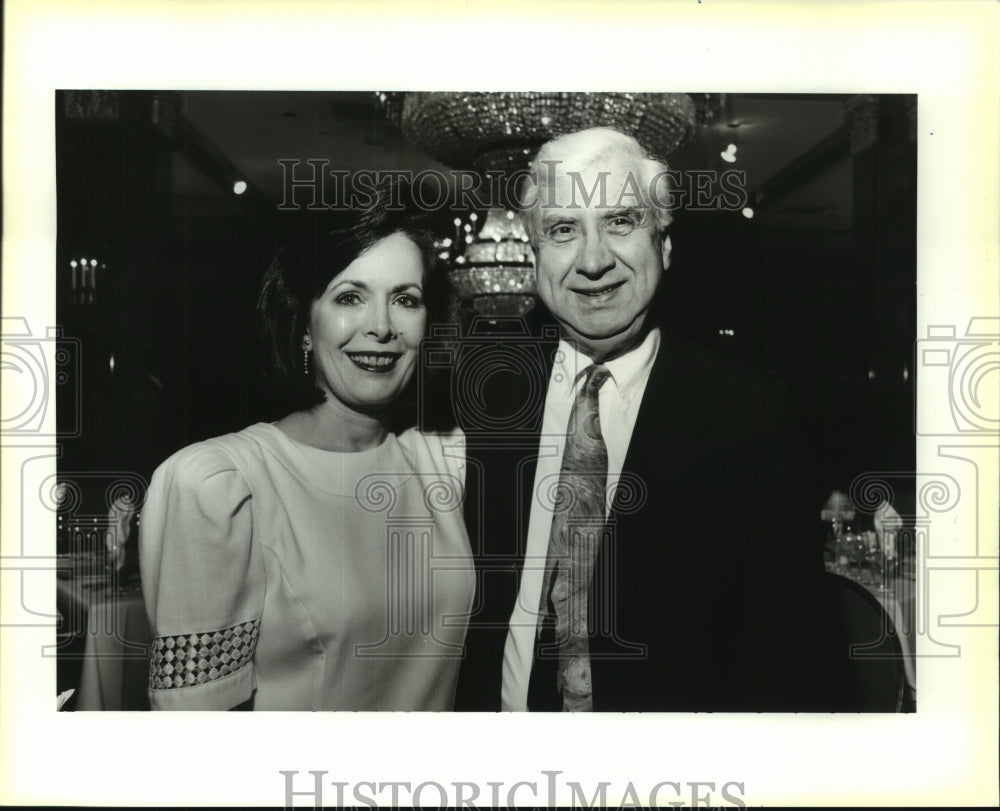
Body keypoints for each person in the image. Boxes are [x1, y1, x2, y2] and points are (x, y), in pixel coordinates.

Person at [453, 127, 827, 711]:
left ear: (665, 246)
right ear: (533, 257)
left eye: (621, 222)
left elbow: (784, 652)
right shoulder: (486, 398)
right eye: (562, 230)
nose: (595, 260)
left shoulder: (748, 415)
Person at [139, 188, 473, 710]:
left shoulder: (444, 460)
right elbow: (195, 733)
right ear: (303, 324)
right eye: (349, 297)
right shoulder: (219, 484)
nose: (382, 327)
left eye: (405, 299)